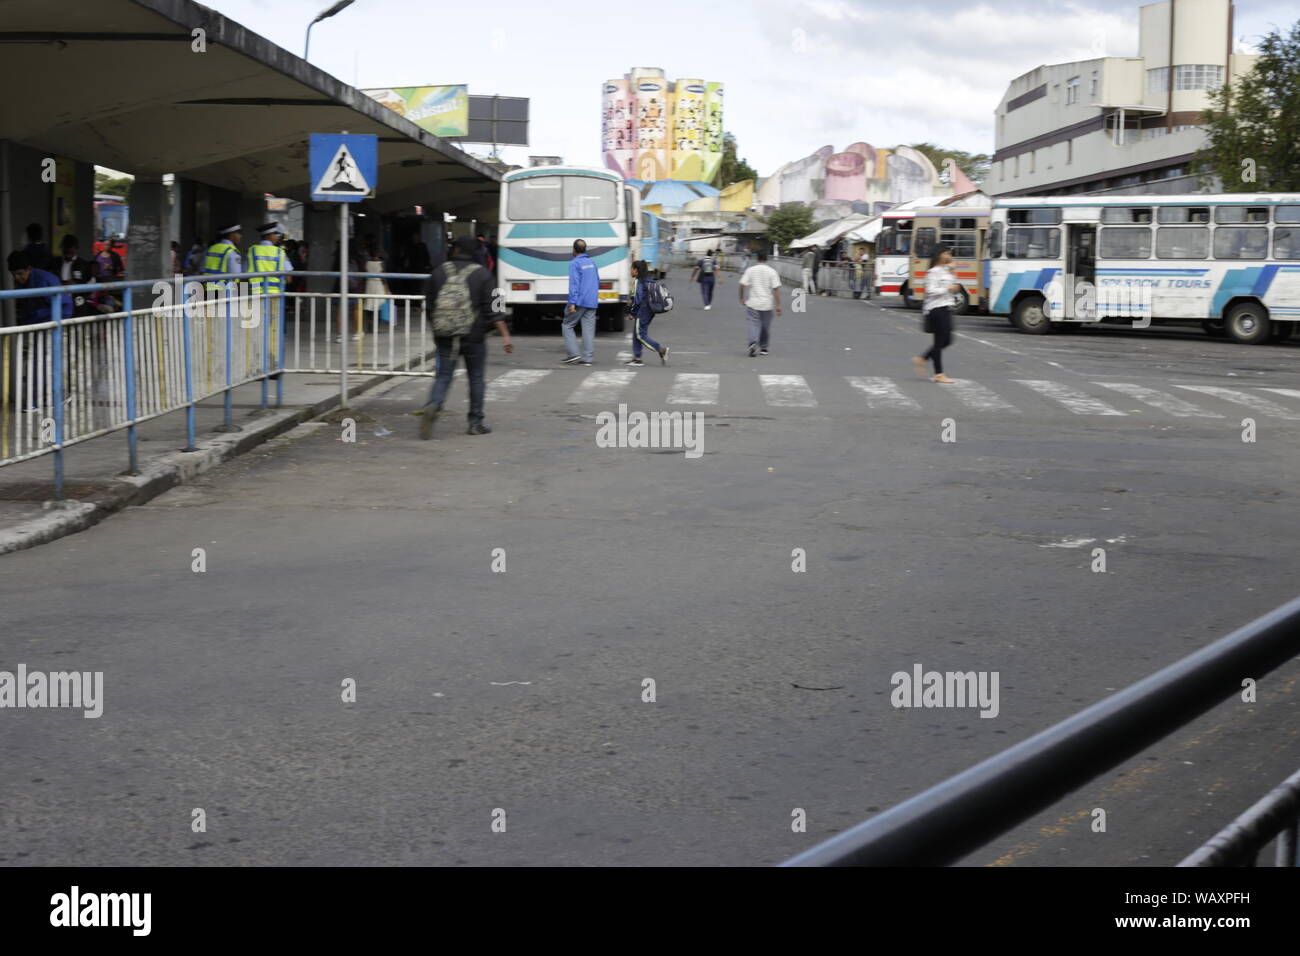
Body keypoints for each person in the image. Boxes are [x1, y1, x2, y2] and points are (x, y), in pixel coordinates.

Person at [419, 234, 513, 437]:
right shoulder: (483, 275)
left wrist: (437, 329)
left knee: (444, 375)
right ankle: (475, 422)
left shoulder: (438, 272)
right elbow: (495, 309)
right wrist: (505, 335)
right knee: (476, 378)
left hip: (445, 335)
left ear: (456, 250)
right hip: (474, 336)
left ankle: (433, 404)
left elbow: (428, 304)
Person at [914, 246, 959, 384]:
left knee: (948, 340)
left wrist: (953, 273)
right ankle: (938, 373)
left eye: (950, 253)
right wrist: (948, 288)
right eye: (947, 252)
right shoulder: (932, 272)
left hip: (946, 307)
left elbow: (954, 287)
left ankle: (923, 358)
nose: (949, 255)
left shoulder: (946, 270)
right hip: (935, 308)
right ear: (939, 255)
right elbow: (930, 290)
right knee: (940, 341)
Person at [6, 250, 72, 325]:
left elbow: (66, 309)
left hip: (49, 328)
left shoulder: (45, 279)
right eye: (13, 274)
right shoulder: (20, 282)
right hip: (32, 327)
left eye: (19, 273)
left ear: (29, 269)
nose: (16, 277)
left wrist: (39, 316)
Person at [624, 259, 668, 367]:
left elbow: (637, 299)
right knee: (637, 333)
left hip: (642, 311)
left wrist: (632, 313)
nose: (630, 271)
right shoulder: (648, 280)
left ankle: (661, 350)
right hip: (649, 311)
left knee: (640, 335)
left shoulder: (638, 281)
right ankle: (637, 358)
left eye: (631, 269)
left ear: (636, 270)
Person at [738, 252, 783, 357]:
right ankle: (764, 348)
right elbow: (775, 289)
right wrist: (778, 305)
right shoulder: (772, 271)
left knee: (753, 324)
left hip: (753, 303)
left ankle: (753, 343)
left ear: (757, 258)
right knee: (765, 327)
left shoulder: (750, 270)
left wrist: (741, 298)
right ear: (767, 259)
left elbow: (742, 284)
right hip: (767, 304)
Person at [561, 238, 598, 366]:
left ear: (574, 250)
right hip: (592, 301)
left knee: (567, 325)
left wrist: (572, 303)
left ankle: (573, 354)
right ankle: (587, 358)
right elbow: (597, 281)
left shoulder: (575, 263)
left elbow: (574, 284)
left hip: (580, 301)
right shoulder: (592, 263)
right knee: (588, 329)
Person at [47, 236, 98, 317]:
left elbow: (92, 282)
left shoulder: (83, 264)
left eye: (70, 248)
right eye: (65, 248)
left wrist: (82, 292)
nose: (67, 251)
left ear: (76, 248)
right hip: (59, 303)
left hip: (78, 305)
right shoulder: (55, 263)